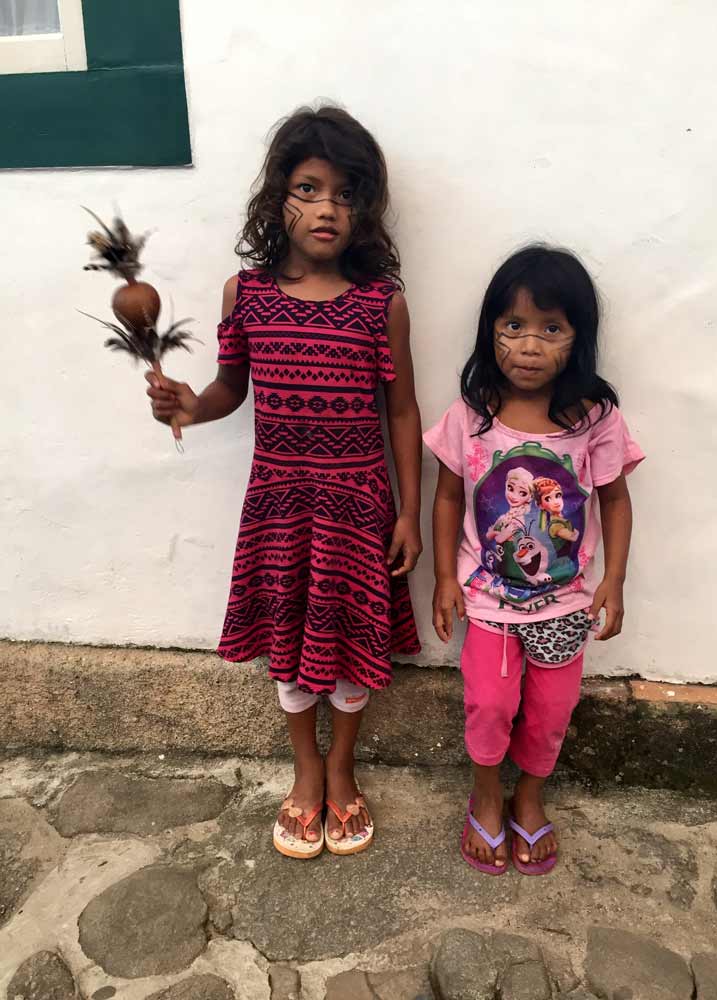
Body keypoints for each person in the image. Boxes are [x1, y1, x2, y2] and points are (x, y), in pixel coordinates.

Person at [146, 105, 422, 859]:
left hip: (358, 503)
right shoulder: (248, 295)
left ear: (364, 208)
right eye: (308, 188)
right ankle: (305, 771)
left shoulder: (380, 303)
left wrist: (409, 515)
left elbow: (402, 411)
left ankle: (342, 766)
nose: (327, 207)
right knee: (291, 643)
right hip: (281, 501)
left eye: (345, 192)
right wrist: (189, 407)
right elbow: (229, 388)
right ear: (278, 198)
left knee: (352, 643)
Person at [424, 245, 643, 875]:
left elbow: (616, 500)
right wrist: (444, 577)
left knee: (549, 713)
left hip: (565, 603)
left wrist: (615, 580)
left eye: (551, 329)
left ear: (579, 339)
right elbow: (446, 500)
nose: (528, 345)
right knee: (490, 705)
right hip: (488, 602)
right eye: (513, 327)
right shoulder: (472, 415)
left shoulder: (595, 419)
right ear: (490, 331)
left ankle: (529, 794)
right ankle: (487, 792)